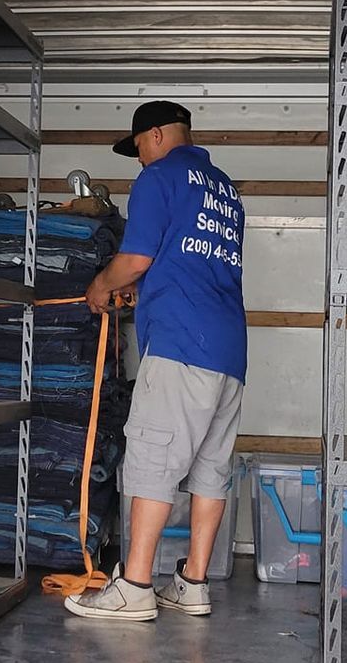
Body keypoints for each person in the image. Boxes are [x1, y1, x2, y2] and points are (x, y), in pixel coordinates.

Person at [65, 100, 247, 623]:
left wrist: (101, 286)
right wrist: (144, 294)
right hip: (228, 349)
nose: (139, 157)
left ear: (161, 135)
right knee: (211, 469)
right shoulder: (224, 189)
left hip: (179, 346)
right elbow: (191, 264)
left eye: (140, 144)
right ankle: (192, 583)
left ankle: (136, 586)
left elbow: (136, 257)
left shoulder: (158, 179)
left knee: (149, 458)